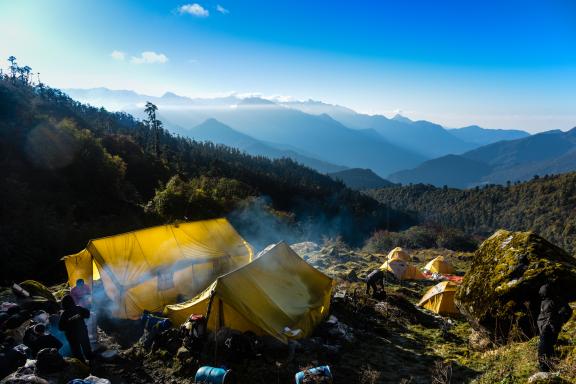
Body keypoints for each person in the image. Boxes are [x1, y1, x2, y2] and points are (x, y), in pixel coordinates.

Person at [537, 284, 573, 372]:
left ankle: (544, 369)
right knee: (546, 347)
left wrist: (559, 320)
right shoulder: (544, 301)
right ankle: (546, 367)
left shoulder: (555, 300)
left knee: (544, 347)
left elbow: (567, 311)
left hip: (549, 328)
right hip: (545, 328)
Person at [58, 295, 92, 364]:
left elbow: (60, 328)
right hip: (82, 332)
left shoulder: (64, 314)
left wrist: (68, 325)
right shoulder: (78, 308)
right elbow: (88, 314)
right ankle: (91, 360)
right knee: (86, 347)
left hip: (72, 336)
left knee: (76, 351)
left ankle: (82, 364)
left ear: (63, 304)